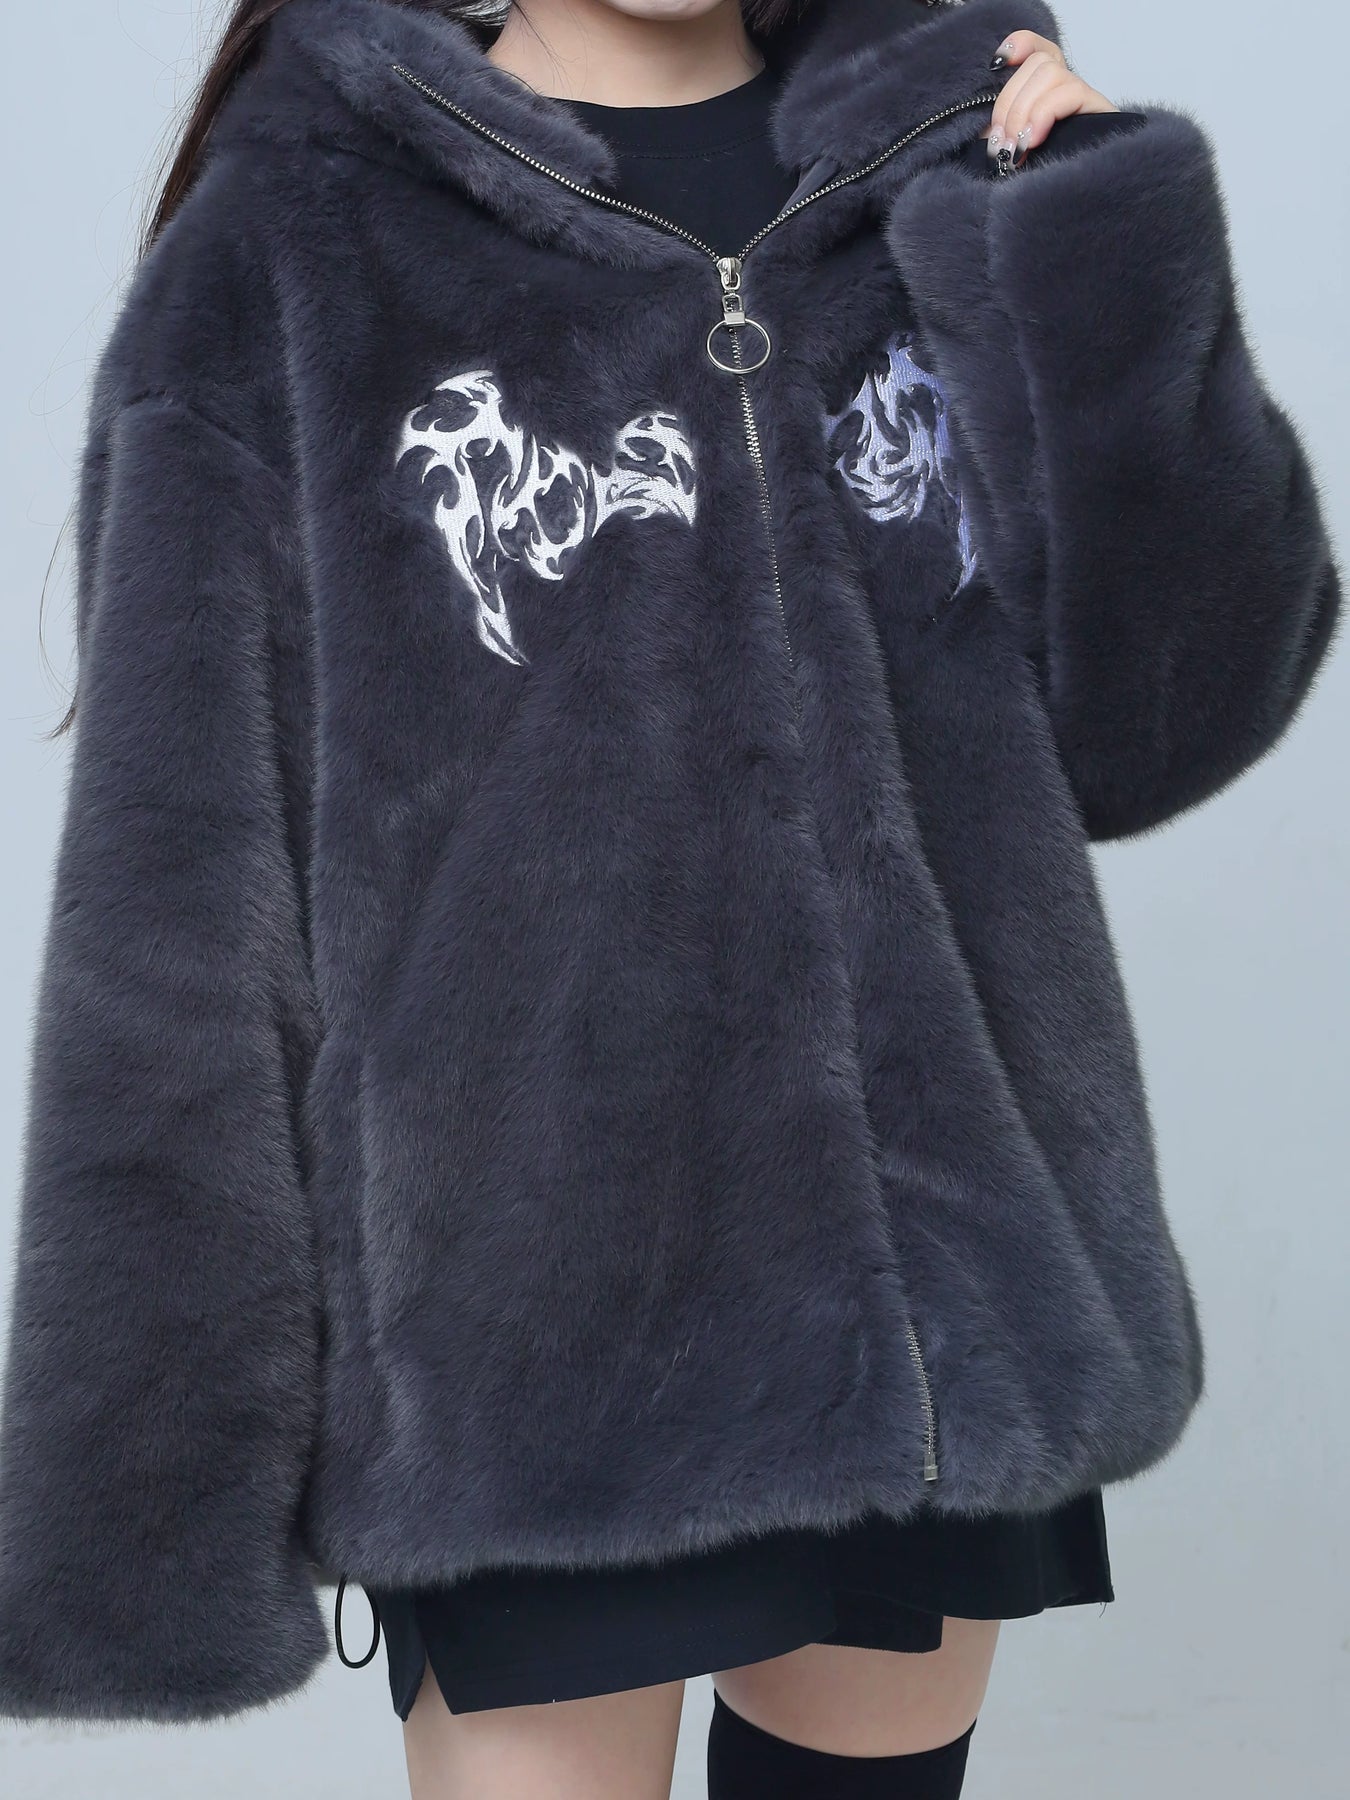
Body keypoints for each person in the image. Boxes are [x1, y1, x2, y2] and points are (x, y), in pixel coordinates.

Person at [0, 1, 1338, 1796]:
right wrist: (147, 1508)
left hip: (940, 1321)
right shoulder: (300, 236)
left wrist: (1097, 249)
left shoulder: (937, 156)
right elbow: (174, 908)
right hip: (527, 1360)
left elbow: (1164, 723)